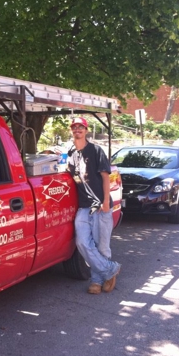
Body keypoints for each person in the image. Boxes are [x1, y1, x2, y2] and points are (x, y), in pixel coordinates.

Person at [67, 117, 121, 294]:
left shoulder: (96, 150)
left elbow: (106, 177)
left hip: (101, 205)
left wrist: (106, 201)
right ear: (71, 131)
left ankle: (97, 281)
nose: (77, 130)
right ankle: (110, 269)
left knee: (101, 246)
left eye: (80, 127)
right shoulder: (71, 155)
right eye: (74, 127)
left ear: (86, 130)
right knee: (82, 242)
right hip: (84, 207)